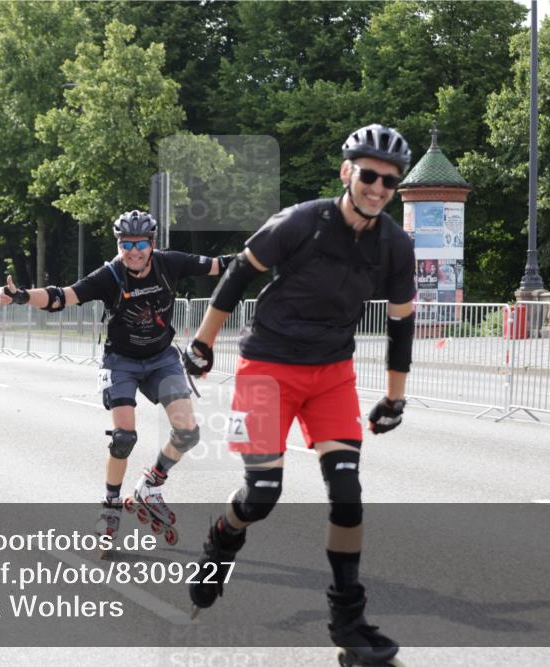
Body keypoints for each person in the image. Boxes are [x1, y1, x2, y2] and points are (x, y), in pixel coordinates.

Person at [182, 124, 417, 665]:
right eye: (369, 175)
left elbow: (402, 322)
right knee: (262, 494)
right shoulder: (302, 222)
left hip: (331, 374)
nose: (378, 188)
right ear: (347, 172)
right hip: (266, 369)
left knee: (347, 493)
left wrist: (394, 397)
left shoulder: (394, 245)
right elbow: (242, 272)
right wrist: (202, 343)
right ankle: (222, 541)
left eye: (389, 181)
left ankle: (349, 622)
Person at [0, 210, 233, 551]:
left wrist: (271, 251)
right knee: (124, 437)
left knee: (187, 432)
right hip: (121, 362)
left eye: (140, 243)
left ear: (152, 244)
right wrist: (22, 296)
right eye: (126, 244)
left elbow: (220, 265)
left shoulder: (170, 264)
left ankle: (150, 484)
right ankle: (110, 507)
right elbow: (62, 296)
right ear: (118, 244)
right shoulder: (110, 275)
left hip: (162, 359)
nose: (133, 251)